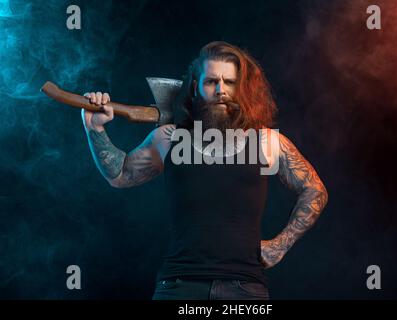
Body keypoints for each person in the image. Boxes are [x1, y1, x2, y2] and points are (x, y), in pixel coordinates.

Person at [81, 41, 328, 300]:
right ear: (196, 89)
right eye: (211, 81)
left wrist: (280, 244)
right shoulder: (169, 138)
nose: (221, 90)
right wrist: (95, 129)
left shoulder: (267, 142)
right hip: (178, 286)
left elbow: (314, 189)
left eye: (229, 82)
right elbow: (119, 176)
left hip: (245, 289)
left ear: (241, 89)